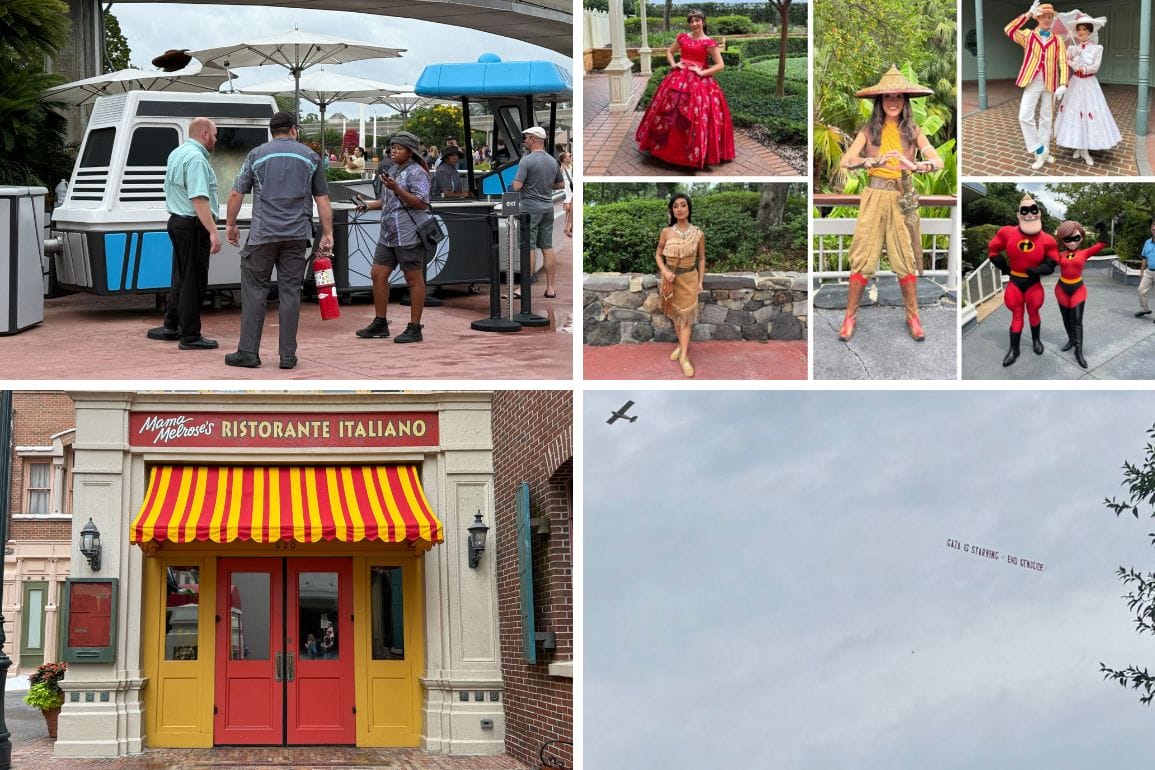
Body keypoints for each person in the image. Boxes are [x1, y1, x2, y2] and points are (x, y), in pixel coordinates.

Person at [836, 67, 943, 343]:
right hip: (874, 195)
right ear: (880, 101)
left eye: (898, 96)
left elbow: (938, 161)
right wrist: (871, 161)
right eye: (887, 97)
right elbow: (846, 161)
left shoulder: (913, 130)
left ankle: (913, 316)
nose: (893, 101)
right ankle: (850, 317)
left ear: (905, 101)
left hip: (902, 197)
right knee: (862, 255)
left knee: (905, 257)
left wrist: (915, 165)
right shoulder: (870, 130)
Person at [223, 111, 333, 370]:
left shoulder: (256, 155)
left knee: (254, 292)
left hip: (262, 235)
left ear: (272, 131)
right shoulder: (311, 157)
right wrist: (327, 234)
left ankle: (248, 352)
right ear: (293, 129)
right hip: (297, 236)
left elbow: (237, 193)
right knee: (290, 293)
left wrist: (230, 224)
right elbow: (323, 199)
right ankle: (287, 356)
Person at [353, 130, 432, 343]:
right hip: (388, 234)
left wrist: (397, 189)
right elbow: (388, 202)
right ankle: (380, 322)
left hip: (408, 233)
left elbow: (421, 203)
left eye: (399, 148)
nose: (393, 151)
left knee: (413, 279)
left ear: (411, 151)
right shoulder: (394, 170)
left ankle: (415, 327)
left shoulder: (417, 172)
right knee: (378, 273)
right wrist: (367, 205)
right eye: (392, 147)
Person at [149, 116, 221, 350]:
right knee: (193, 281)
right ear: (205, 135)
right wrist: (213, 231)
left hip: (176, 222)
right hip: (192, 224)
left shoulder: (177, 153)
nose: (216, 139)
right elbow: (199, 198)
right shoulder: (197, 159)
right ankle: (190, 335)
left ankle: (172, 324)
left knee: (180, 276)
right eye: (215, 134)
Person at [635, 9, 734, 169]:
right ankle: (664, 150)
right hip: (678, 79)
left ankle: (693, 153)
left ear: (703, 21)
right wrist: (675, 64)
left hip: (699, 83)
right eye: (691, 21)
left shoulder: (709, 42)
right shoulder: (682, 37)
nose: (694, 24)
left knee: (695, 115)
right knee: (669, 111)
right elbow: (669, 52)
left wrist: (702, 72)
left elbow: (720, 65)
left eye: (697, 20)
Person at [987, 195, 1059, 366]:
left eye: (1033, 210)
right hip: (1016, 282)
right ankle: (1014, 349)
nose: (1029, 215)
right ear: (1018, 214)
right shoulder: (1007, 232)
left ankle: (1036, 341)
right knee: (1016, 315)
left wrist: (1039, 270)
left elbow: (1052, 262)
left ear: (1039, 213)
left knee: (1034, 312)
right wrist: (1001, 265)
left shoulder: (1048, 239)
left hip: (1033, 283)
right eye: (1024, 211)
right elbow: (993, 249)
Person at [1006, 2, 1068, 171]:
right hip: (1033, 80)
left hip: (1051, 82)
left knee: (1046, 118)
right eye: (1044, 16)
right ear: (1038, 18)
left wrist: (1063, 83)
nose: (1047, 19)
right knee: (1024, 116)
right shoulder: (1028, 36)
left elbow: (1063, 61)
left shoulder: (1058, 40)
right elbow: (1009, 29)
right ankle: (1039, 149)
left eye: (1050, 17)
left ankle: (1044, 154)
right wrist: (1027, 14)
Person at [1054, 13, 1120, 167]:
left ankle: (1085, 149)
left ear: (1090, 31)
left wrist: (1082, 67)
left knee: (1088, 112)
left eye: (1084, 29)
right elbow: (1065, 62)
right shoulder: (1072, 48)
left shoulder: (1097, 48)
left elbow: (1095, 67)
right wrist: (1071, 58)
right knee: (1075, 113)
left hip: (1089, 84)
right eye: (1079, 29)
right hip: (1075, 83)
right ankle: (1078, 146)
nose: (1081, 32)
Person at [655, 193, 705, 378]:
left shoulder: (698, 233)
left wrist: (700, 281)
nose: (680, 209)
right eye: (676, 206)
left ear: (689, 208)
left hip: (689, 279)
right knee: (676, 316)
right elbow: (658, 255)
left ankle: (684, 357)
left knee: (685, 319)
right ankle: (681, 345)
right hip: (670, 281)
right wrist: (665, 272)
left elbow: (701, 259)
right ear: (672, 210)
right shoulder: (666, 232)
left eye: (683, 205)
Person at [512, 126, 564, 299]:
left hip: (529, 209)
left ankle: (524, 288)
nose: (525, 141)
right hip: (547, 208)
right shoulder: (552, 161)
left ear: (533, 139)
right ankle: (550, 288)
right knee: (548, 248)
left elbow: (517, 186)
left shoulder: (526, 161)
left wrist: (521, 183)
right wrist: (547, 186)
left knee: (529, 247)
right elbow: (561, 184)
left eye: (526, 138)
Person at [1052, 219, 1106, 368]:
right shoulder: (1060, 255)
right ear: (1063, 239)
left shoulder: (1084, 252)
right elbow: (1046, 259)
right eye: (1068, 238)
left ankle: (1078, 351)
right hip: (1061, 289)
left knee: (1076, 320)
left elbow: (1102, 244)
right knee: (1066, 318)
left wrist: (1103, 229)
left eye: (1076, 238)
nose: (1072, 242)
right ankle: (1070, 340)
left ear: (1081, 237)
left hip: (1078, 289)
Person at [1136, 220, 1155, 319]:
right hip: (1149, 271)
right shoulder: (1147, 242)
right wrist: (1141, 271)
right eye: (1153, 227)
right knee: (1141, 290)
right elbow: (1144, 258)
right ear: (1151, 229)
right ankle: (1145, 309)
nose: (1154, 229)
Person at [558, 151, 574, 238]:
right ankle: (567, 227)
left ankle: (567, 227)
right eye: (569, 156)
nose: (570, 157)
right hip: (565, 190)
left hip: (571, 189)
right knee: (567, 208)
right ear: (564, 159)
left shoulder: (571, 165)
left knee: (570, 208)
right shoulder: (561, 168)